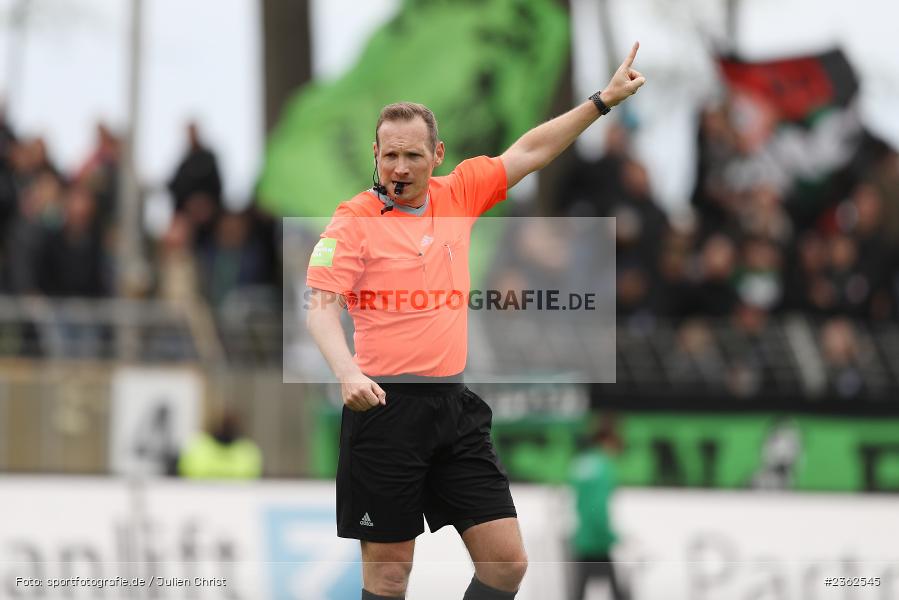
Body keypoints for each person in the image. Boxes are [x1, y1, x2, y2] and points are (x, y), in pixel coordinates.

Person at [305, 43, 645, 600]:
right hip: (382, 410)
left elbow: (531, 150)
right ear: (375, 154)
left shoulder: (459, 193)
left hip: (453, 409)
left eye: (413, 156)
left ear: (436, 154)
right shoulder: (351, 221)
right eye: (390, 156)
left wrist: (601, 102)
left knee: (507, 564)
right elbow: (320, 308)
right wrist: (346, 373)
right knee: (390, 577)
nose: (400, 168)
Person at [569, 415, 626, 600]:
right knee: (616, 589)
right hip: (598, 538)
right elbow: (598, 507)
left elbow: (578, 502)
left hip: (582, 536)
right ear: (608, 441)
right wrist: (609, 535)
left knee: (580, 588)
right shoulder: (604, 466)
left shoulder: (580, 463)